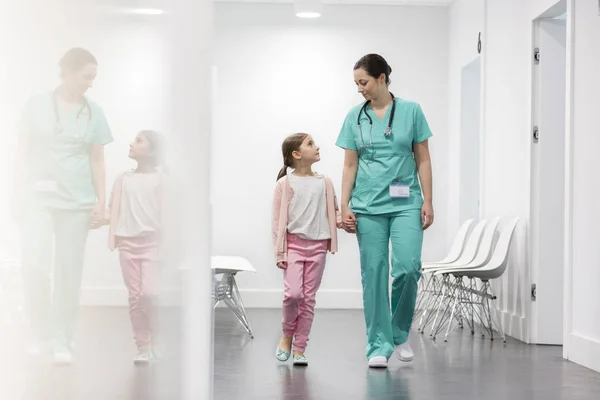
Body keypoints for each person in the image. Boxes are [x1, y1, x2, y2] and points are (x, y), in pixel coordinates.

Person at [12, 47, 113, 364]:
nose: (90, 83)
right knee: (34, 266)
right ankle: (39, 332)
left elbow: (97, 158)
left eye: (93, 78)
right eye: (86, 76)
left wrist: (102, 202)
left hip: (77, 202)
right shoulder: (36, 105)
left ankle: (62, 340)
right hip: (39, 199)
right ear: (67, 72)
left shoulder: (93, 111)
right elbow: (21, 152)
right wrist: (15, 191)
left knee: (69, 272)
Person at [335, 54, 434, 368]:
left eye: (363, 82)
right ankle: (378, 344)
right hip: (368, 206)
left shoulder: (411, 111)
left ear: (381, 78)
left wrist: (428, 200)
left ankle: (398, 331)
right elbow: (350, 164)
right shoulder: (355, 116)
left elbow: (423, 159)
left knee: (408, 267)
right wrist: (344, 205)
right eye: (356, 84)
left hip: (406, 202)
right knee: (374, 275)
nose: (359, 89)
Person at [272, 133, 342, 366]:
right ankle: (287, 335)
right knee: (293, 295)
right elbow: (276, 223)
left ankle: (300, 347)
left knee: (308, 299)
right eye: (311, 144)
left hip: (318, 247)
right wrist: (280, 252)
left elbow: (334, 212)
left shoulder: (325, 182)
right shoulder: (285, 184)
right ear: (297, 154)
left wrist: (347, 219)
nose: (317, 146)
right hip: (293, 246)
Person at [106, 130, 166, 364]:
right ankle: (142, 346)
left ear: (152, 151)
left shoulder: (161, 180)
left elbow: (167, 215)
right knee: (135, 297)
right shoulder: (123, 178)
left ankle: (157, 338)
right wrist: (110, 234)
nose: (131, 143)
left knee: (150, 293)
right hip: (127, 245)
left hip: (152, 244)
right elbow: (114, 210)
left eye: (138, 141)